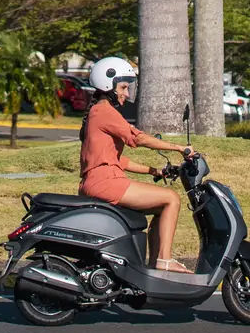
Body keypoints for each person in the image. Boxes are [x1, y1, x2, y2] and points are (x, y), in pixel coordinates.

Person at [79, 57, 196, 273]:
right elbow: (138, 139)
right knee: (171, 198)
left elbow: (119, 161)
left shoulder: (97, 112)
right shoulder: (105, 111)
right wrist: (179, 148)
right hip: (105, 183)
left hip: (100, 181)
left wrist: (154, 171)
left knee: (161, 207)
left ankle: (154, 264)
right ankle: (164, 259)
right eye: (123, 87)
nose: (126, 93)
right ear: (108, 84)